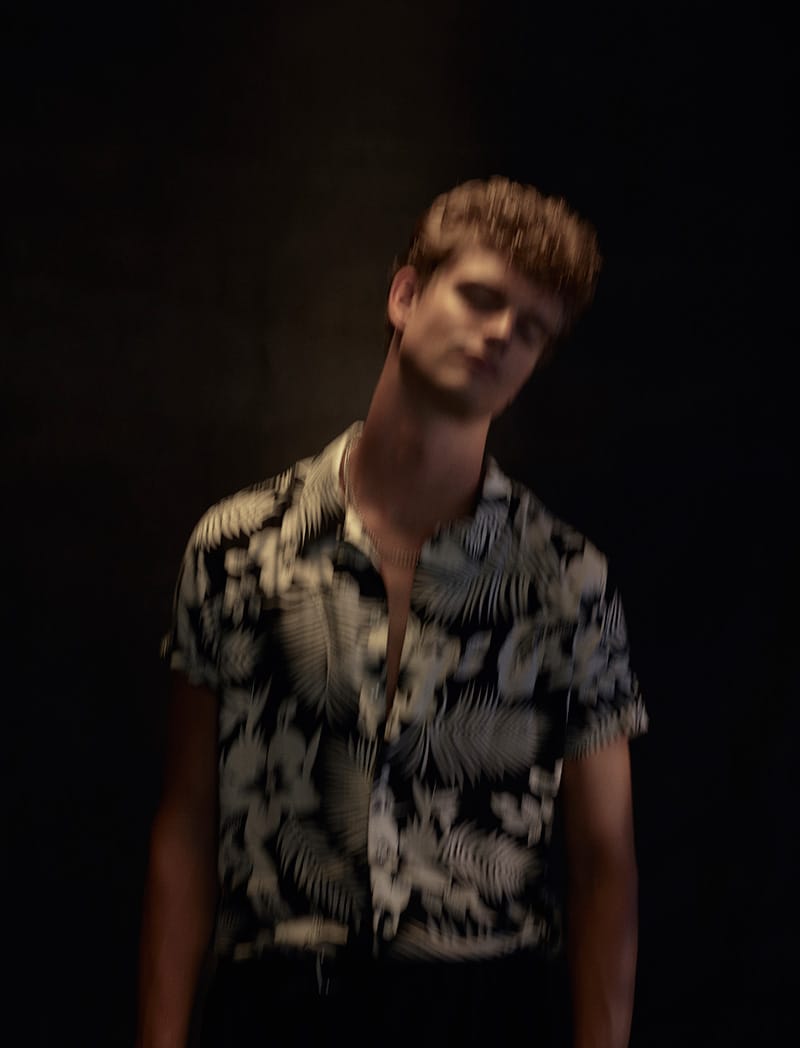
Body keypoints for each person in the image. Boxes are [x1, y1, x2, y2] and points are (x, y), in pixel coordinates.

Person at [135, 175, 649, 1048]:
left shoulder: (568, 580)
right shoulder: (237, 545)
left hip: (487, 1008)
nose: (502, 334)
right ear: (406, 296)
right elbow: (186, 822)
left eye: (532, 329)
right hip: (279, 1006)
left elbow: (605, 862)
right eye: (481, 298)